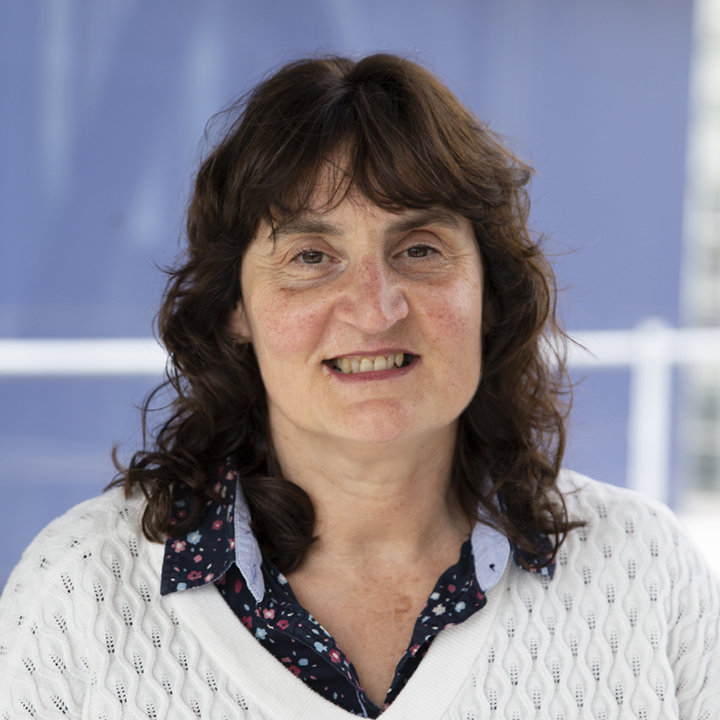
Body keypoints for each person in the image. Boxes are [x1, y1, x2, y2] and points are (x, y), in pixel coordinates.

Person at [1, 53, 718, 719]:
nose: (376, 309)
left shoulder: (644, 573)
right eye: (312, 256)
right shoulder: (80, 594)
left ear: (490, 293)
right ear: (233, 308)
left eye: (419, 249)